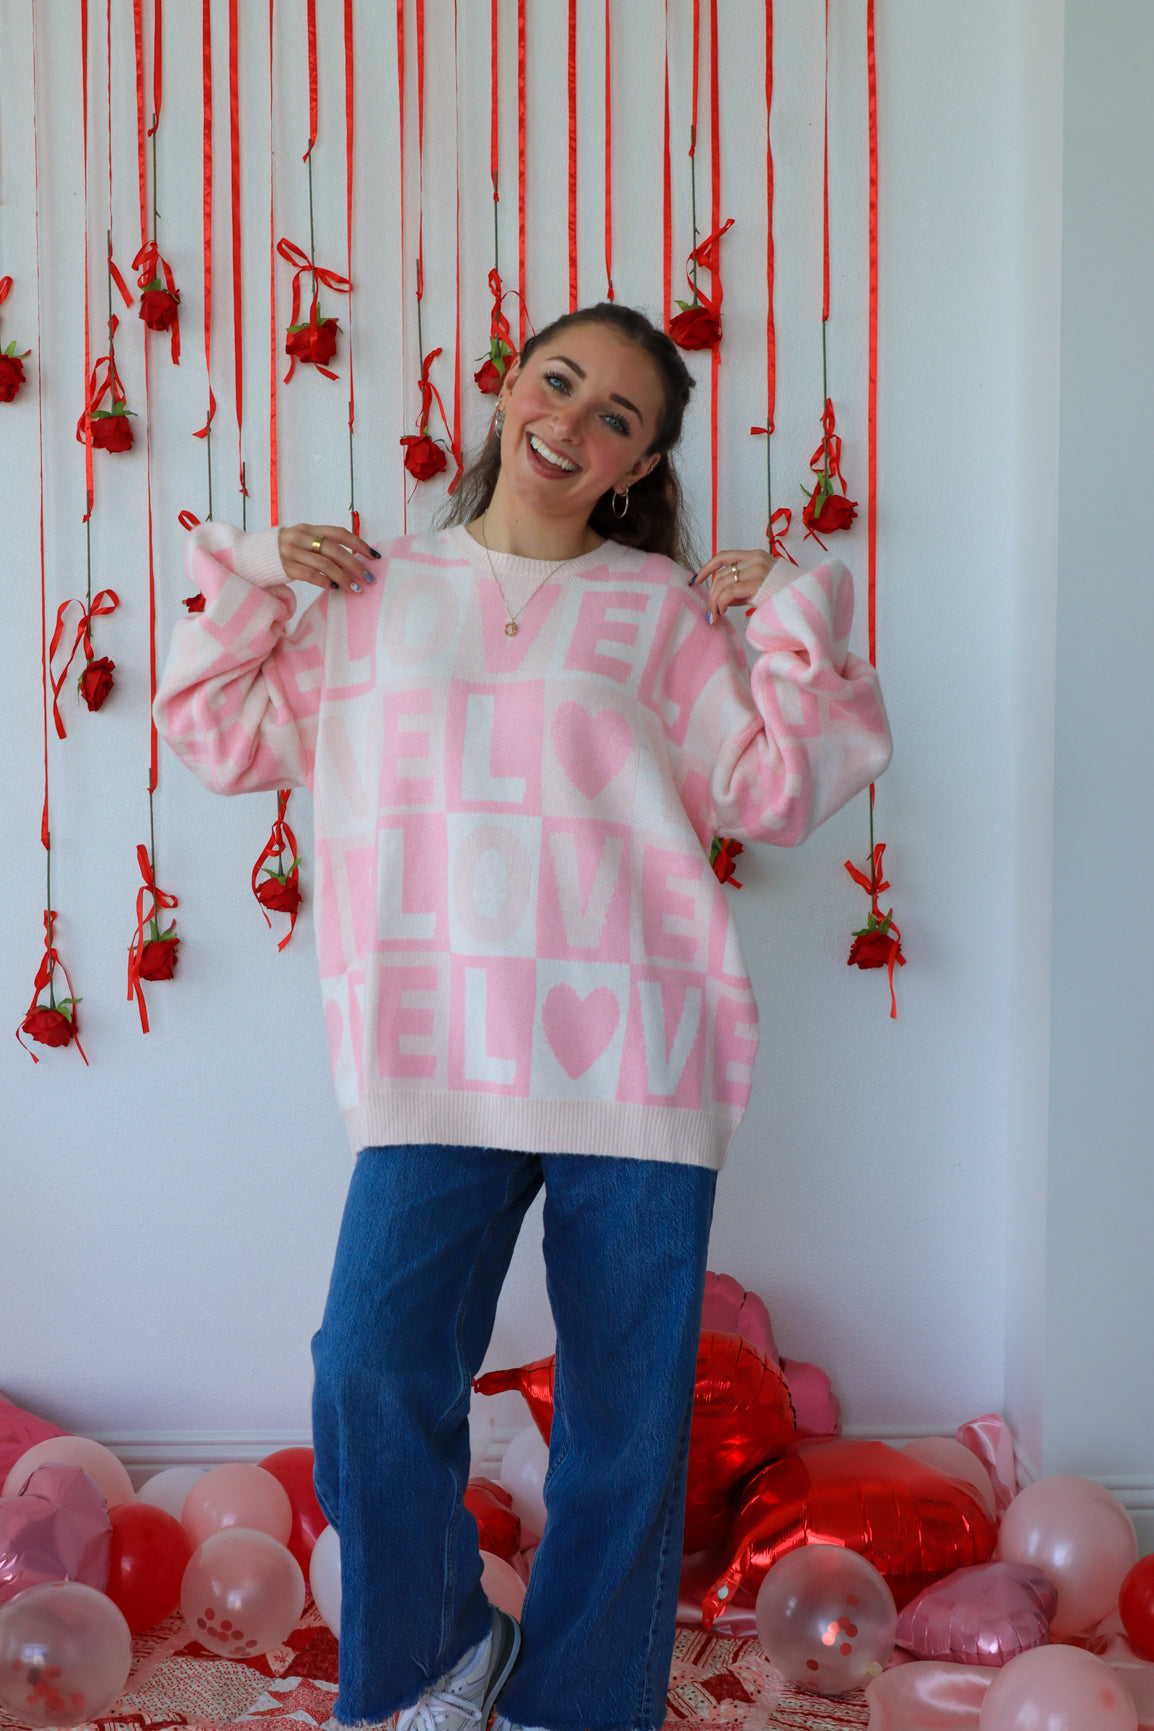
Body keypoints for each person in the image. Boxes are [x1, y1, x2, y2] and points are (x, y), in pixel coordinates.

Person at [155, 300, 892, 1731]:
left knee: (625, 1427)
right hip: (433, 1049)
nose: (575, 420)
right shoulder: (376, 595)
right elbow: (219, 736)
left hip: (637, 1049)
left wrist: (791, 611)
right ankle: (433, 1662)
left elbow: (779, 794)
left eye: (617, 416)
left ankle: (577, 1703)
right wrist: (252, 569)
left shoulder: (661, 611)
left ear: (634, 466)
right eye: (559, 383)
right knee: (368, 1367)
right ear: (504, 392)